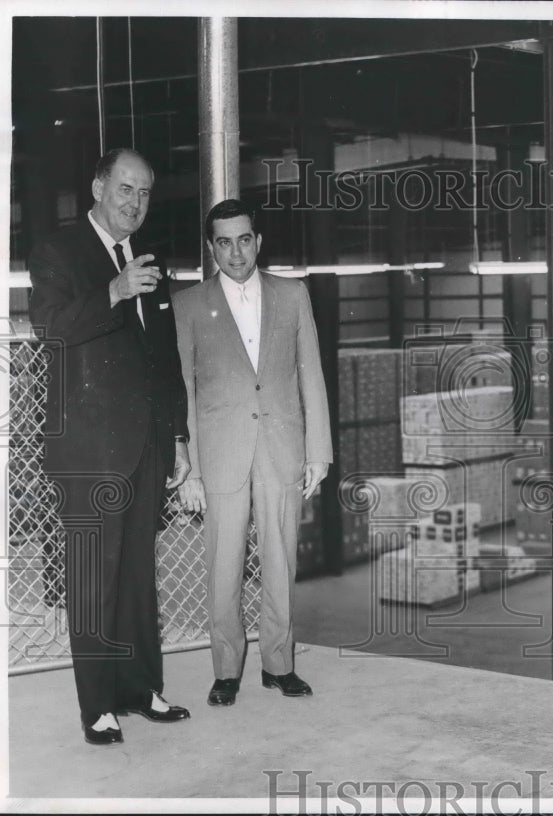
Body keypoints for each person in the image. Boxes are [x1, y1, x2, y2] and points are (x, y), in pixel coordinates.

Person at [28, 147, 192, 746]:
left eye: (145, 193)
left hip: (148, 444)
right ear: (99, 187)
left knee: (137, 577)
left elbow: (163, 357)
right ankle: (97, 706)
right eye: (126, 189)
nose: (136, 203)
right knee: (94, 580)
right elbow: (49, 327)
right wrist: (116, 291)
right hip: (90, 449)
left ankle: (141, 688)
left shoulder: (150, 259)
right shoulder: (58, 249)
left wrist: (178, 437)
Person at [174, 199, 332, 707]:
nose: (236, 251)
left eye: (244, 239)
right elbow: (184, 394)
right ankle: (226, 669)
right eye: (224, 241)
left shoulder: (292, 295)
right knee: (223, 564)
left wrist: (319, 451)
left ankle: (279, 665)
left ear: (258, 241)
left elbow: (311, 372)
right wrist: (191, 469)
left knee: (281, 561)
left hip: (282, 448)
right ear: (211, 247)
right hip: (220, 455)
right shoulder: (189, 306)